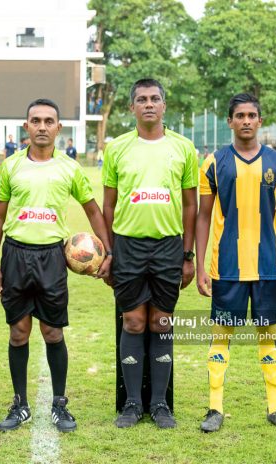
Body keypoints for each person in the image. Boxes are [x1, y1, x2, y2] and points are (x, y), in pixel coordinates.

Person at [0, 98, 112, 433]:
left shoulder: (69, 168)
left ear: (58, 127)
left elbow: (93, 210)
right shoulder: (11, 166)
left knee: (52, 331)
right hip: (15, 255)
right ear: (26, 126)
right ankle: (20, 404)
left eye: (48, 121)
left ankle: (59, 404)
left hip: (52, 258)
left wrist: (109, 252)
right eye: (36, 121)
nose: (42, 127)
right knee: (18, 332)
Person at [196, 93, 276, 432]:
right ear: (229, 121)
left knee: (268, 335)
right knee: (221, 335)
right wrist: (200, 267)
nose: (245, 120)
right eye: (239, 115)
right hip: (227, 267)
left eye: (251, 115)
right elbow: (202, 217)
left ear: (259, 120)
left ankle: (275, 406)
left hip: (268, 267)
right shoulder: (214, 163)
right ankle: (215, 408)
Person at [103, 78, 197, 429]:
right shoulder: (117, 148)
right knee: (133, 322)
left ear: (164, 105)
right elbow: (108, 204)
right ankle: (131, 404)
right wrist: (109, 252)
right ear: (132, 107)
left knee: (161, 322)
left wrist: (188, 255)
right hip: (128, 245)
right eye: (141, 99)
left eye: (155, 98)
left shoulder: (184, 148)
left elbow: (191, 205)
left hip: (168, 246)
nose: (148, 104)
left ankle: (159, 404)